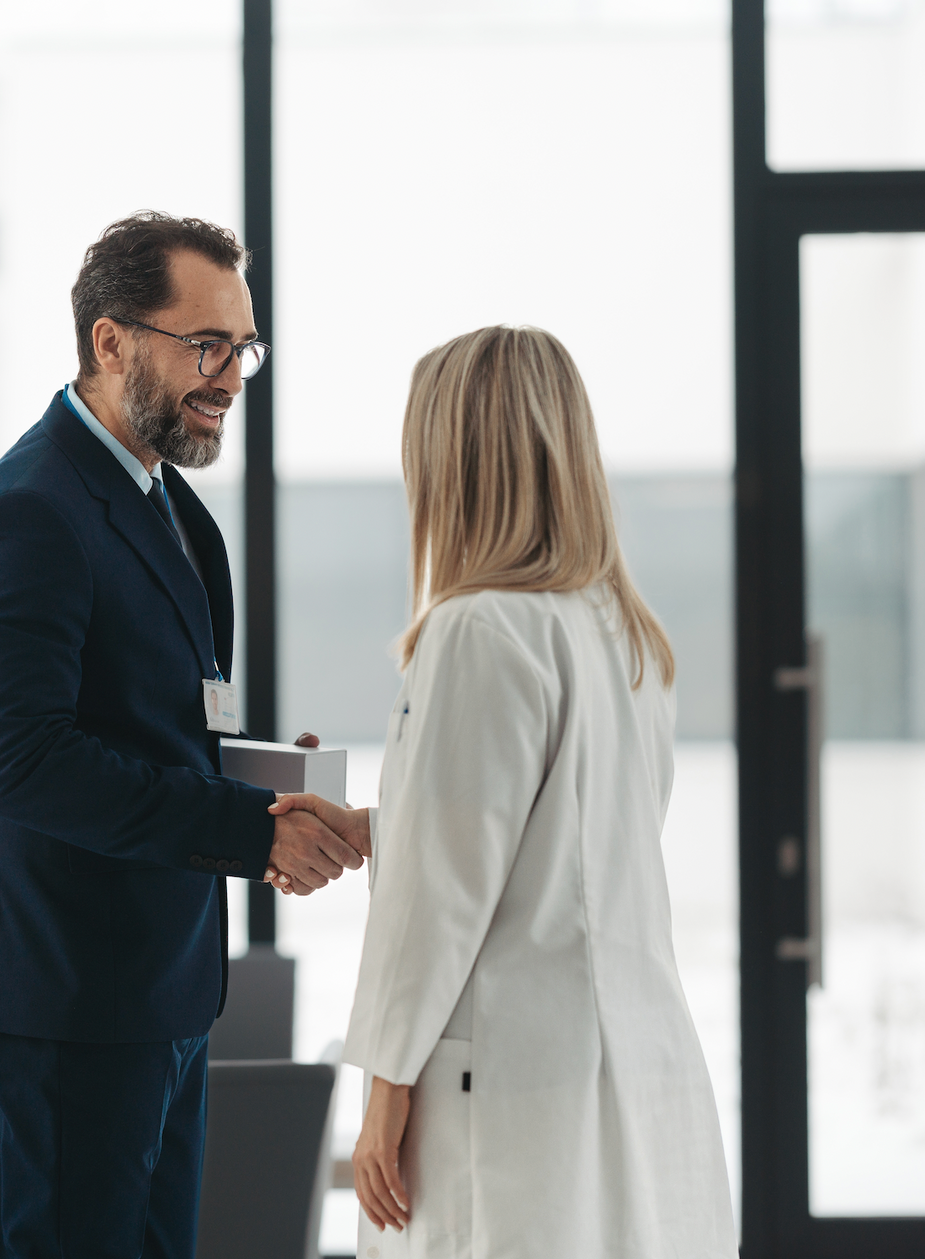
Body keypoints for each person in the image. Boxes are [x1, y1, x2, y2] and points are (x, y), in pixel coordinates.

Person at [0, 211, 367, 1259]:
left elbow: (160, 724)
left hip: (164, 990)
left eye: (243, 348)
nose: (228, 375)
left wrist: (272, 788)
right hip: (68, 1003)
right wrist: (242, 829)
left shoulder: (177, 509)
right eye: (204, 344)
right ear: (111, 342)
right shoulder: (29, 512)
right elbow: (24, 764)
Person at [270, 326, 737, 1257]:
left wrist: (386, 1088)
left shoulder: (479, 628)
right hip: (631, 1060)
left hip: (513, 1085)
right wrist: (377, 826)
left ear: (458, 461)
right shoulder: (626, 635)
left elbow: (438, 897)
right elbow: (565, 845)